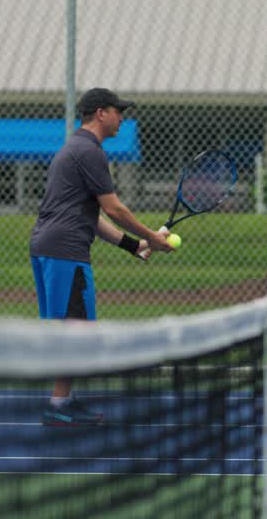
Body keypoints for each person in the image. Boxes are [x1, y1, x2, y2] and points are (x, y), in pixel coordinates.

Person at [30, 87, 174, 427]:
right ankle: (57, 405)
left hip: (48, 248)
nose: (122, 117)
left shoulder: (73, 149)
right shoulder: (90, 152)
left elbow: (92, 217)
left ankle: (62, 399)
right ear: (100, 114)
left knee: (70, 329)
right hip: (65, 252)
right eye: (117, 111)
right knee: (78, 331)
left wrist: (133, 246)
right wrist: (152, 237)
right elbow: (114, 209)